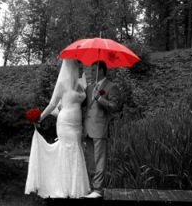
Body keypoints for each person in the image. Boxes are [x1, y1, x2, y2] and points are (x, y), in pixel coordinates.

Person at [25, 59, 90, 198]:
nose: (82, 71)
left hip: (77, 125)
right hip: (65, 123)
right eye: (80, 68)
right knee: (68, 150)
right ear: (72, 69)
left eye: (82, 68)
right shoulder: (62, 84)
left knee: (76, 150)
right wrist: (40, 117)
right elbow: (53, 104)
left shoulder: (80, 85)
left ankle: (75, 188)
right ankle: (66, 188)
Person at [83, 60, 120, 198]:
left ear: (102, 71)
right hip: (87, 128)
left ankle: (98, 189)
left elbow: (115, 107)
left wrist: (100, 98)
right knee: (90, 159)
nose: (91, 72)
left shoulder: (111, 86)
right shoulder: (89, 87)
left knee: (99, 158)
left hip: (100, 127)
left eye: (93, 70)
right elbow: (83, 104)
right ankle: (90, 187)